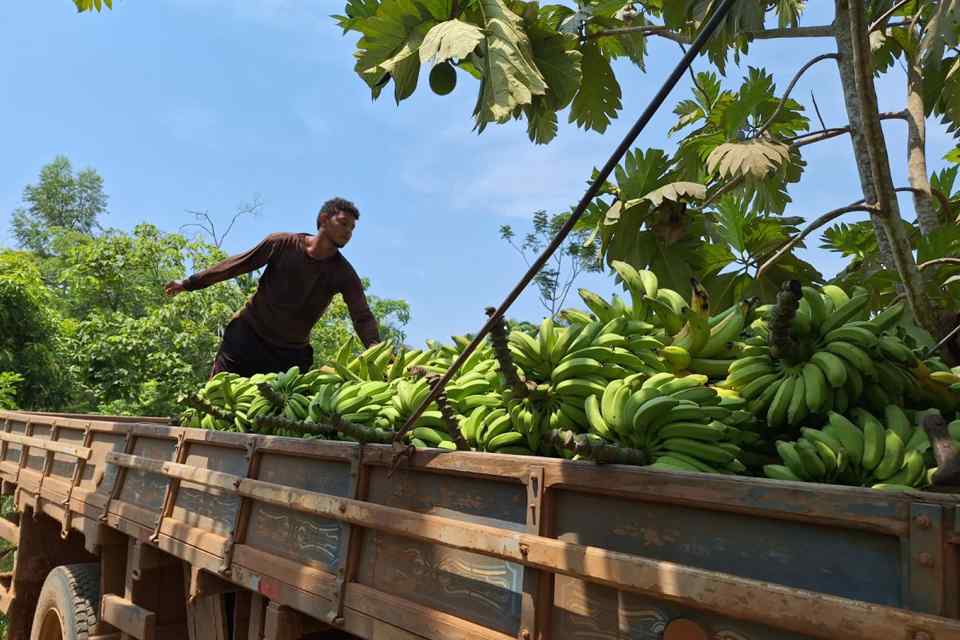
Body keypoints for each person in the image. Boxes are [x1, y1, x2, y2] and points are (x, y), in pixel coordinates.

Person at [164, 197, 380, 377]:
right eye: (343, 223)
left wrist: (375, 349)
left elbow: (362, 316)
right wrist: (188, 283)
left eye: (352, 228)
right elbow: (235, 266)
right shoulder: (282, 243)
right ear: (324, 219)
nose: (348, 232)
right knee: (217, 400)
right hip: (247, 338)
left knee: (276, 417)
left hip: (289, 355)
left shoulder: (344, 274)